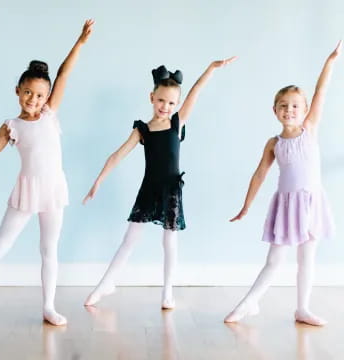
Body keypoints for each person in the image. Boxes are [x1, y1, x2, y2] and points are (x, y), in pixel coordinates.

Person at [0, 19, 95, 325]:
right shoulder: (11, 127)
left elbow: (65, 72)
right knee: (1, 245)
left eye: (40, 95)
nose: (34, 100)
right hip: (27, 190)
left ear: (47, 96)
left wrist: (80, 42)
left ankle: (48, 306)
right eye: (28, 93)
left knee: (48, 249)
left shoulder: (50, 114)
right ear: (18, 91)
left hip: (53, 189)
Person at [83, 56, 236, 309]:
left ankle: (167, 293)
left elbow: (195, 91)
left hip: (171, 190)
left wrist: (210, 68)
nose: (166, 106)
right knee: (129, 240)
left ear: (177, 104)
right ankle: (104, 285)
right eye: (161, 100)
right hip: (149, 190)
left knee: (169, 242)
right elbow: (117, 155)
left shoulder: (177, 123)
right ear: (151, 97)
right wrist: (98, 181)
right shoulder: (142, 129)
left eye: (171, 102)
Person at [224, 41, 341, 326]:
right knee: (276, 260)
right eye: (284, 106)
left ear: (305, 110)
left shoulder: (309, 129)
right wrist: (246, 206)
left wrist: (331, 60)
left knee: (307, 258)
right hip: (287, 206)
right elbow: (259, 175)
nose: (290, 110)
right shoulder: (274, 143)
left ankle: (302, 308)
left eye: (295, 106)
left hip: (311, 202)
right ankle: (248, 302)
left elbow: (321, 91)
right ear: (275, 110)